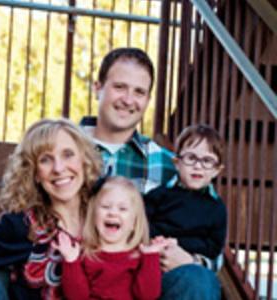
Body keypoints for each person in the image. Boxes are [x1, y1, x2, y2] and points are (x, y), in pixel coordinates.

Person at [80, 47, 221, 299]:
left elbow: (210, 230)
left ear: (147, 100)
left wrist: (192, 259)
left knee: (197, 279)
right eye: (120, 87)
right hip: (77, 275)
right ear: (98, 87)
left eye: (139, 92)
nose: (128, 99)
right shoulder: (62, 152)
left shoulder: (173, 167)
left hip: (144, 283)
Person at [0, 118, 102, 300]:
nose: (58, 168)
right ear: (34, 173)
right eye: (45, 160)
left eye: (68, 154)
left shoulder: (106, 213)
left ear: (83, 159)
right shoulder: (22, 225)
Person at [145, 124, 227, 298]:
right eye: (191, 158)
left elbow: (213, 247)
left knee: (201, 281)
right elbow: (141, 224)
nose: (198, 166)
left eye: (207, 161)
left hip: (187, 265)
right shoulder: (159, 195)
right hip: (152, 260)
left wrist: (185, 250)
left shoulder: (216, 208)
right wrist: (159, 242)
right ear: (177, 163)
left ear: (216, 170)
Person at [55, 176, 164, 300]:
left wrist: (151, 257)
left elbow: (148, 295)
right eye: (105, 206)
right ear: (94, 216)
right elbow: (77, 296)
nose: (113, 213)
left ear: (134, 223)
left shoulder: (139, 256)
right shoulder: (85, 253)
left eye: (122, 209)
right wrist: (71, 261)